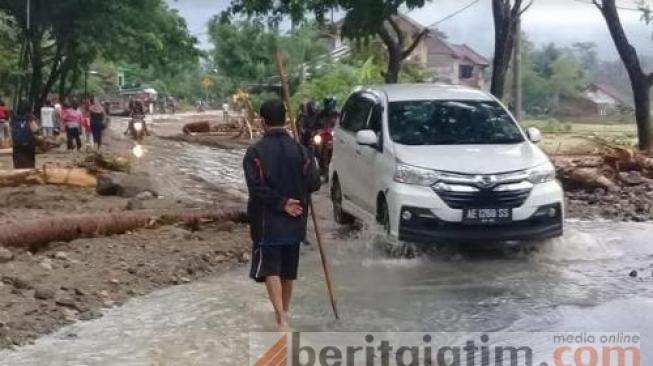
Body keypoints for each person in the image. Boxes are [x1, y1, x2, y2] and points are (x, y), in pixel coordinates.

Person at [244, 99, 322, 328]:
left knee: (271, 269)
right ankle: (285, 312)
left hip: (267, 222)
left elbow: (256, 187)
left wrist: (280, 203)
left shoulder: (255, 152)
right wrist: (292, 199)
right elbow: (315, 183)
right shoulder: (302, 151)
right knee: (287, 271)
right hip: (296, 220)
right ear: (286, 121)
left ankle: (281, 317)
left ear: (262, 122)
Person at [10, 100, 38, 169]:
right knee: (29, 166)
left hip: (17, 146)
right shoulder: (30, 118)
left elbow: (11, 130)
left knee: (18, 165)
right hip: (28, 145)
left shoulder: (14, 118)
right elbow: (35, 129)